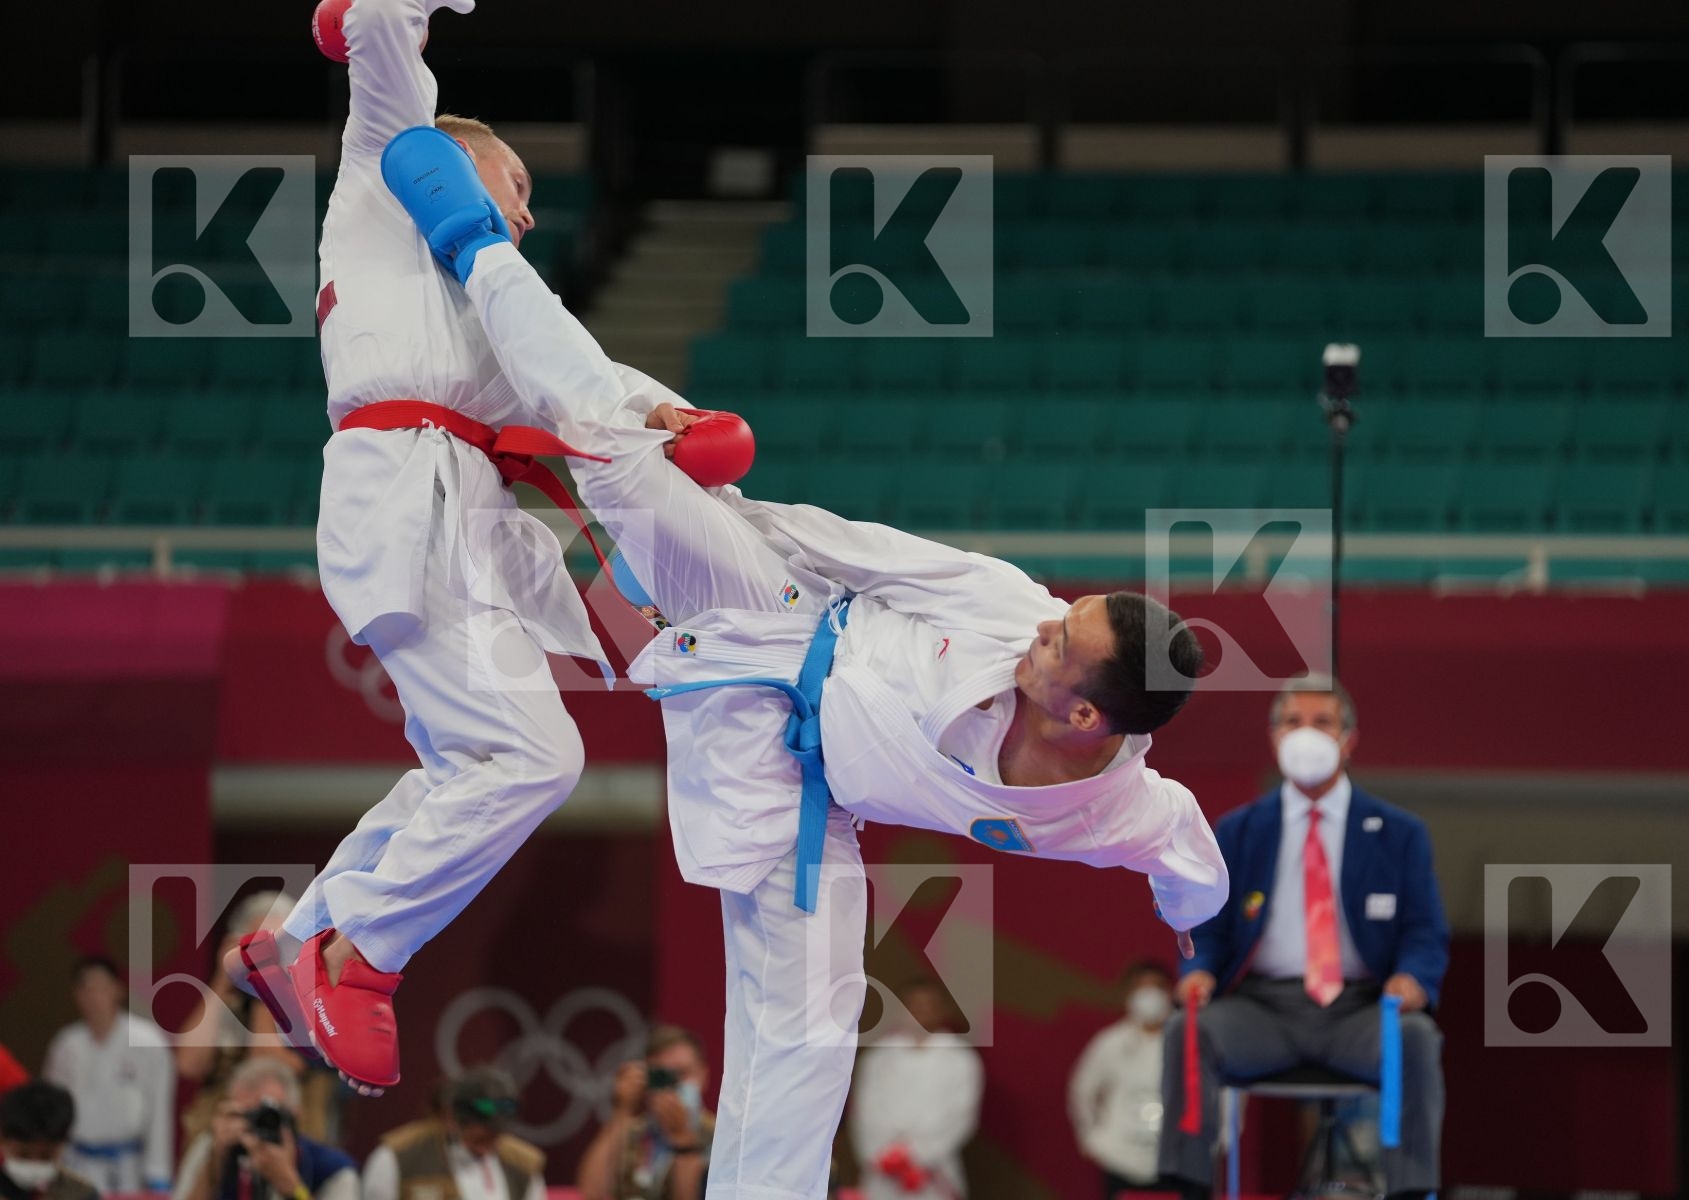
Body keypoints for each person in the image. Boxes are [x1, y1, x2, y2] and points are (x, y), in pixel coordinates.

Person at [378, 127, 1230, 1200]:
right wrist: (728, 512)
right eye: (1065, 616)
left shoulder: (1122, 808)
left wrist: (1204, 950)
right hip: (775, 608)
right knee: (616, 449)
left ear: (1087, 720)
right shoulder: (1011, 607)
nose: (1047, 625)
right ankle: (470, 242)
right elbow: (871, 552)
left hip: (799, 796)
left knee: (809, 1035)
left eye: (1066, 644)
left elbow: (1195, 870)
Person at [225, 0, 679, 1097]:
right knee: (536, 759)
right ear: (458, 165)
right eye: (518, 190)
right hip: (406, 492)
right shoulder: (390, 180)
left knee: (465, 764)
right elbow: (380, 47)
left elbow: (575, 381)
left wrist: (670, 412)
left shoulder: (486, 295)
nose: (525, 220)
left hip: (460, 509)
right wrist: (383, 14)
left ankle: (303, 933)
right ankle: (363, 958)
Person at [1158, 676, 1448, 1200]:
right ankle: (1188, 1185)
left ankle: (1410, 1189)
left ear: (1348, 739)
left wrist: (1413, 978)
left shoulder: (1399, 832)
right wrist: (1198, 971)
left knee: (1416, 1040)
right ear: (1274, 737)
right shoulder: (1239, 829)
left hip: (1361, 1011)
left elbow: (1424, 930)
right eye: (1294, 722)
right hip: (1265, 1010)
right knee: (1189, 1031)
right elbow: (1211, 925)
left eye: (1323, 723)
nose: (1307, 734)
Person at [178, 894, 335, 1145]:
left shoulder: (316, 999)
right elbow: (189, 1063)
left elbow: (269, 1060)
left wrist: (267, 983)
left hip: (295, 1144)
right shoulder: (234, 1001)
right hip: (221, 1140)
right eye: (258, 946)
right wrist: (223, 976)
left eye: (280, 946)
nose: (272, 956)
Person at [42, 956, 174, 1194]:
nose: (94, 997)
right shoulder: (65, 1045)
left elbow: (160, 1111)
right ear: (77, 995)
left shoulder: (147, 1041)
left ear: (118, 990)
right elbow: (53, 1114)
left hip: (129, 1165)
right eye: (86, 989)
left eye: (101, 988)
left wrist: (158, 1174)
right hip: (78, 1162)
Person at [1069, 962, 1199, 1200]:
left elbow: (1221, 1093)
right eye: (1140, 987)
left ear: (1171, 992)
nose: (1149, 995)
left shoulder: (1194, 1042)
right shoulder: (1110, 1042)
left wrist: (1218, 1141)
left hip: (1181, 1161)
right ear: (1128, 994)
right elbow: (1082, 1091)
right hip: (1122, 1161)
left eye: (1157, 987)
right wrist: (1093, 1139)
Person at [850, 980, 982, 1200]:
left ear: (943, 1010)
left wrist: (919, 1155)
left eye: (929, 1005)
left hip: (934, 1172)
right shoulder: (877, 1058)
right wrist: (882, 1155)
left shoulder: (961, 1059)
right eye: (914, 1005)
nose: (921, 1011)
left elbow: (961, 1115)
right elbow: (864, 1110)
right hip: (882, 1172)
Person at [170, 1060, 358, 1200]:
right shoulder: (213, 1147)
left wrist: (293, 1188)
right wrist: (215, 1161)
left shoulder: (334, 1170)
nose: (255, 1128)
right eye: (245, 1116)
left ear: (296, 1116)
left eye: (268, 1116)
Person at [364, 1068, 544, 1200]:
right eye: (479, 1139)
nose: (486, 1150)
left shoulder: (523, 1164)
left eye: (495, 1138)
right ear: (451, 1119)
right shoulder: (397, 1156)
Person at [576, 1028, 712, 1200]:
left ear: (703, 1075)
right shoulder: (632, 1132)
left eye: (682, 1073)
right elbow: (591, 1192)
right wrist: (622, 1110)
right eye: (662, 1077)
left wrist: (682, 1139)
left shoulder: (724, 1138)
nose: (672, 1087)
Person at [0, 1082, 101, 1200]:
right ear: (2, 1140)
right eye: (23, 1155)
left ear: (64, 1144)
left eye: (45, 1156)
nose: (34, 1164)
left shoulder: (82, 1194)